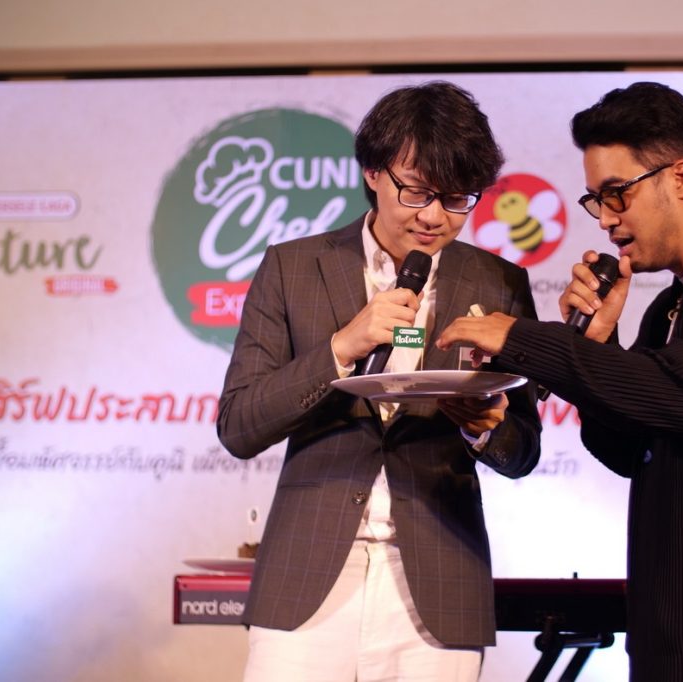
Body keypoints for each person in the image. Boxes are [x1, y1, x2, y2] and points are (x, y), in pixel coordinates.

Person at [437, 81, 683, 681]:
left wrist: (520, 338)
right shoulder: (673, 302)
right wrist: (597, 342)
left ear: (680, 176)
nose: (606, 220)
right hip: (674, 637)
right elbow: (626, 449)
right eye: (595, 200)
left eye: (617, 193)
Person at [217, 81, 542, 681]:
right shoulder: (293, 267)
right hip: (308, 577)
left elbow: (523, 451)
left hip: (439, 581)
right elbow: (239, 426)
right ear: (372, 172)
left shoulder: (499, 283)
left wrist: (485, 428)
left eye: (457, 198)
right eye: (416, 191)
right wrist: (342, 347)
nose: (434, 216)